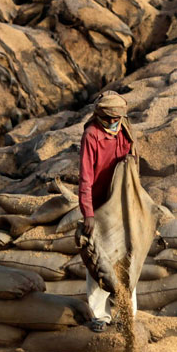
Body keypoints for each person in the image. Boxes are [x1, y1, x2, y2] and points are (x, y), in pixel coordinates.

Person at [77, 90, 133, 331]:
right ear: (99, 115)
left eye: (116, 119)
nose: (112, 123)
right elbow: (85, 177)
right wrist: (88, 212)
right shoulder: (92, 135)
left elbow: (132, 166)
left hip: (121, 202)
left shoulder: (126, 132)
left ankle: (125, 311)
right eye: (108, 119)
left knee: (126, 259)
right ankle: (100, 315)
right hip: (99, 203)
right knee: (98, 258)